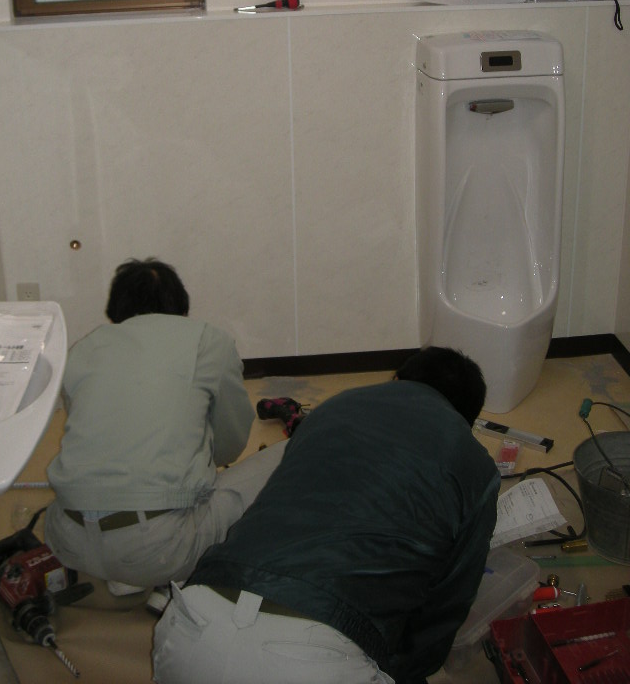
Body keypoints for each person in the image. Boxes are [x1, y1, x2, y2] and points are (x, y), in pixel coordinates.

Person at [152, 346, 500, 684]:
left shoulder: (333, 408)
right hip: (318, 656)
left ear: (397, 379)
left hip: (191, 625)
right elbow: (446, 605)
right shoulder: (473, 462)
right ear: (466, 420)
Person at [44, 257, 286, 601]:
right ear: (181, 309)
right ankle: (161, 573)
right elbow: (231, 442)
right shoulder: (208, 341)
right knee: (293, 452)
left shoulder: (84, 348)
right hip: (160, 546)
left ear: (116, 313)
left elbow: (87, 432)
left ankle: (128, 574)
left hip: (66, 541)